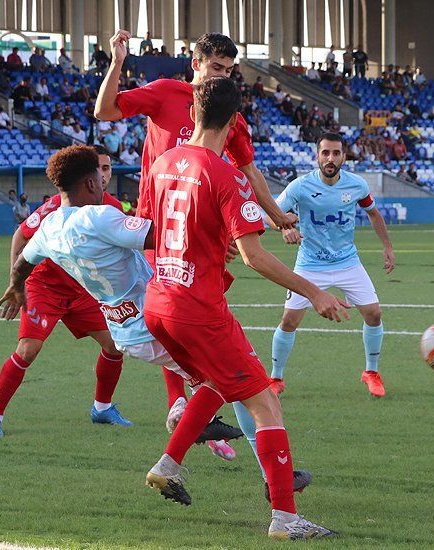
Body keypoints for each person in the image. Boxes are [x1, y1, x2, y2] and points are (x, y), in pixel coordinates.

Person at [141, 77, 342, 540]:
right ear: (233, 124)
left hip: (159, 301)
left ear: (192, 113)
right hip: (199, 310)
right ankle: (286, 520)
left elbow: (154, 229)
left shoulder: (164, 161)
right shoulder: (226, 176)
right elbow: (255, 255)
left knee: (216, 381)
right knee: (266, 403)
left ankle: (168, 465)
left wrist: (210, 241)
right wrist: (314, 292)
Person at [94, 30, 298, 421]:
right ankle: (184, 403)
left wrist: (276, 215)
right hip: (160, 226)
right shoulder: (166, 92)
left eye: (228, 70)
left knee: (202, 314)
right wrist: (118, 63)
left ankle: (197, 400)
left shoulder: (227, 115)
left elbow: (249, 170)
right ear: (196, 64)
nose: (221, 75)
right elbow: (105, 111)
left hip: (206, 231)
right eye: (215, 67)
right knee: (174, 312)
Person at [0, 145, 249, 459]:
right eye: (99, 178)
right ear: (90, 183)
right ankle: (188, 444)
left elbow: (23, 260)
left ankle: (199, 428)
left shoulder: (49, 228)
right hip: (154, 320)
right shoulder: (99, 217)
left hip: (124, 331)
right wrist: (219, 231)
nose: (104, 183)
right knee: (234, 375)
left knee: (209, 377)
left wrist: (15, 285)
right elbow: (162, 235)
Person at [0, 148, 135, 438]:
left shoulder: (111, 206)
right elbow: (21, 235)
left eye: (108, 168)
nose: (104, 175)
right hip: (44, 286)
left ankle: (102, 408)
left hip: (82, 289)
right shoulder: (55, 207)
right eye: (98, 169)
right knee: (29, 349)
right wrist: (15, 284)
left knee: (115, 346)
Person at [269, 132, 394, 398]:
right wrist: (284, 228)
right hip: (310, 263)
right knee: (289, 320)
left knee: (374, 314)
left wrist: (387, 246)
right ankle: (276, 378)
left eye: (336, 153)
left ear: (344, 157)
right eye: (325, 153)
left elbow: (373, 213)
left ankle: (371, 372)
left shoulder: (357, 185)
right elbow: (273, 215)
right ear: (317, 156)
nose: (330, 158)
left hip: (347, 261)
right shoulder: (300, 186)